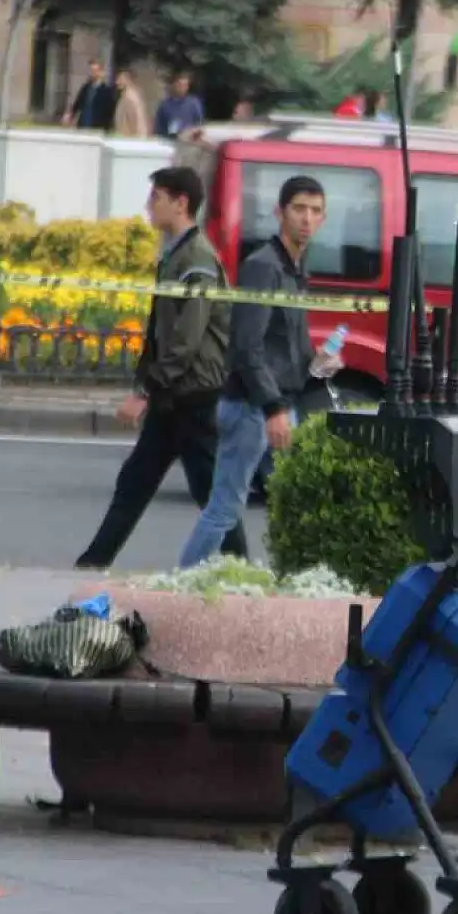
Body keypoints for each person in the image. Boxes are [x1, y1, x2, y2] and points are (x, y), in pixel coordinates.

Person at [75, 166, 246, 570]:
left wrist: (145, 391)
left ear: (180, 203)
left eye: (156, 197)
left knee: (211, 493)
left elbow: (187, 340)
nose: (149, 206)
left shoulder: (197, 259)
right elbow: (160, 332)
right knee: (135, 482)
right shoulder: (175, 253)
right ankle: (92, 563)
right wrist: (147, 384)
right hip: (174, 395)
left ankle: (246, 570)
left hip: (194, 396)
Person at [177, 176, 332, 569]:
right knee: (224, 508)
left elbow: (285, 340)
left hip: (275, 403)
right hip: (254, 408)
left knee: (292, 499)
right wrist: (274, 408)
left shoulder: (294, 266)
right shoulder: (263, 266)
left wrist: (317, 361)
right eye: (299, 209)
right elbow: (247, 346)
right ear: (280, 212)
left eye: (315, 211)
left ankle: (284, 577)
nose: (307, 219)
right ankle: (181, 583)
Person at [63, 59, 116, 131]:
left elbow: (109, 112)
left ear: (101, 72)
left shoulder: (107, 91)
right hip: (83, 125)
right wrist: (70, 115)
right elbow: (78, 103)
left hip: (97, 127)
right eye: (91, 70)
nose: (92, 73)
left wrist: (106, 128)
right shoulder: (86, 88)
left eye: (95, 70)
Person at [154, 72, 205, 139]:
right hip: (168, 142)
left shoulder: (193, 103)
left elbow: (199, 123)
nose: (182, 87)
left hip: (189, 141)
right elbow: (158, 127)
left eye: (185, 85)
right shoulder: (164, 105)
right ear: (174, 85)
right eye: (180, 85)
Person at [112, 68, 149, 138]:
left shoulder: (131, 97)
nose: (117, 82)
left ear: (127, 80)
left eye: (120, 79)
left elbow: (138, 121)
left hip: (131, 141)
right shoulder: (124, 96)